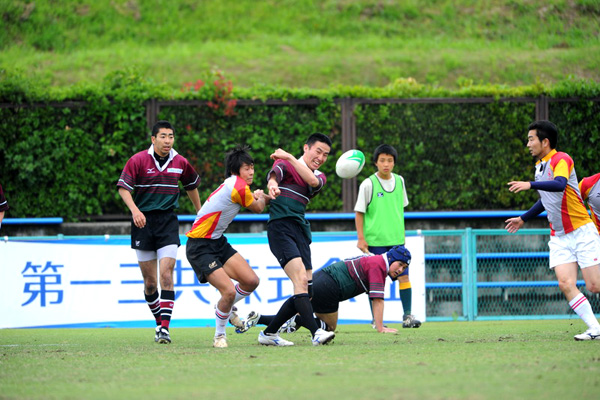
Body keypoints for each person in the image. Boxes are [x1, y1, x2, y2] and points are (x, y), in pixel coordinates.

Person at [505, 120, 600, 341]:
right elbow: (545, 200)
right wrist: (523, 218)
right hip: (559, 235)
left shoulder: (561, 159)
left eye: (531, 139)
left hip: (581, 230)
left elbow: (559, 184)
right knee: (565, 283)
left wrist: (530, 184)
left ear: (545, 141)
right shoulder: (540, 167)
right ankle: (595, 328)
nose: (528, 144)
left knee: (595, 285)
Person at [117, 120, 201, 344]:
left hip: (167, 222)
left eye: (171, 136)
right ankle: (158, 323)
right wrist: (135, 211)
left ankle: (165, 328)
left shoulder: (180, 161)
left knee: (166, 275)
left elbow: (191, 185)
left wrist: (200, 213)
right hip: (143, 222)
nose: (167, 141)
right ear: (153, 139)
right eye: (163, 136)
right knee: (150, 283)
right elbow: (123, 188)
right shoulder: (138, 160)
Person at [185, 145, 268, 348]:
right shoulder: (237, 186)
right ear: (235, 170)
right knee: (229, 292)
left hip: (217, 241)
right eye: (246, 168)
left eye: (252, 167)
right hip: (199, 246)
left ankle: (224, 306)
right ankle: (219, 336)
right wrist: (264, 196)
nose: (251, 172)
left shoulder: (236, 185)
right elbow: (258, 208)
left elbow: (252, 201)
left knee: (251, 281)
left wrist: (258, 195)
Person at [258, 133, 336, 346]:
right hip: (280, 228)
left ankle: (269, 332)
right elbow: (274, 177)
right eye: (318, 151)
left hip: (300, 231)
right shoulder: (284, 164)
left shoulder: (319, 177)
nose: (321, 158)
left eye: (325, 155)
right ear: (306, 148)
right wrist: (271, 187)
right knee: (300, 281)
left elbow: (311, 181)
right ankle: (316, 333)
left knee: (307, 292)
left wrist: (289, 156)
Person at [240, 245, 412, 335]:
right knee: (329, 328)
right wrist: (381, 328)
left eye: (404, 268)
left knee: (294, 314)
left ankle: (259, 318)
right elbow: (378, 300)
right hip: (329, 288)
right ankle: (298, 320)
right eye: (399, 264)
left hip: (319, 278)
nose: (400, 270)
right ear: (391, 258)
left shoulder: (375, 261)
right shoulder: (378, 265)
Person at [354, 144, 421, 329]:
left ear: (394, 163)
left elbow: (400, 209)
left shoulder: (400, 181)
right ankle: (376, 321)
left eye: (390, 161)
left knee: (404, 278)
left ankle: (407, 316)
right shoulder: (368, 183)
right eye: (382, 160)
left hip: (397, 242)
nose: (386, 164)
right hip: (375, 242)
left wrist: (402, 236)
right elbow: (359, 212)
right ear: (375, 162)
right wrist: (361, 238)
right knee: (375, 282)